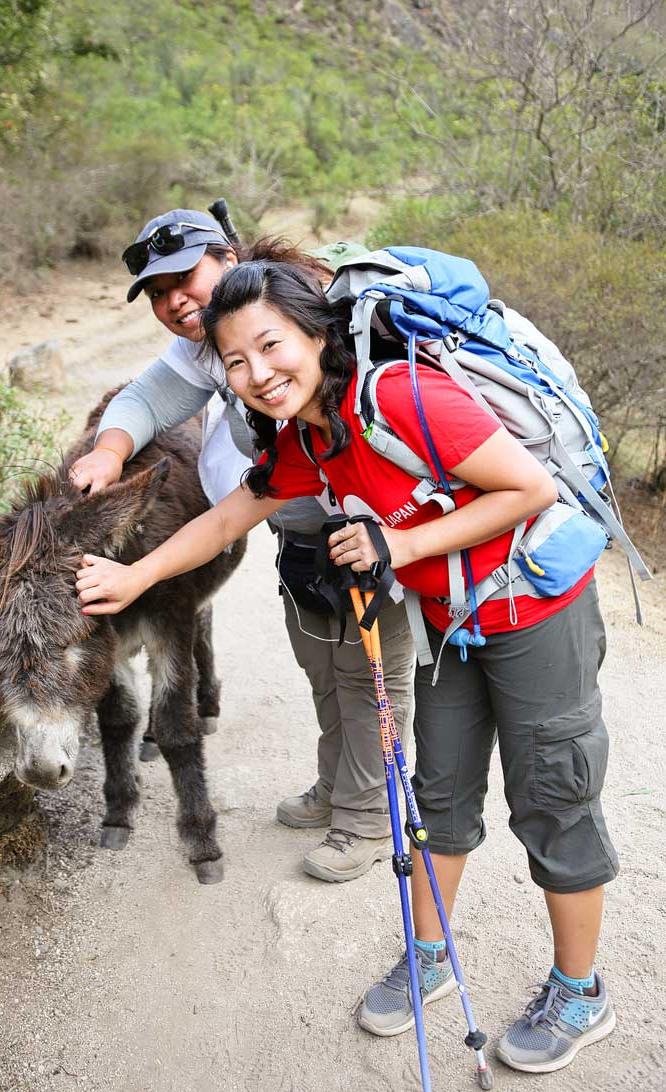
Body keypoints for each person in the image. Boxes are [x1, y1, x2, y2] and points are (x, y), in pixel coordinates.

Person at [75, 258, 619, 1074]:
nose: (258, 373)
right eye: (235, 361)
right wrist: (134, 576)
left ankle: (580, 991)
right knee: (435, 794)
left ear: (318, 336)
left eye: (271, 346)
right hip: (448, 620)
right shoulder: (308, 438)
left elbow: (528, 487)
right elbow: (229, 517)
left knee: (551, 797)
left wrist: (396, 545)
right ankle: (430, 958)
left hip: (537, 610)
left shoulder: (400, 398)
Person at [68, 208, 414, 884]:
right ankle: (335, 787)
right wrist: (109, 454)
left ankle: (370, 820)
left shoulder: (295, 312)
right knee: (322, 666)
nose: (173, 301)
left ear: (225, 256)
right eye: (157, 294)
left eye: (183, 278)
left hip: (376, 530)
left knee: (372, 678)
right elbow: (144, 400)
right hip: (301, 529)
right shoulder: (211, 342)